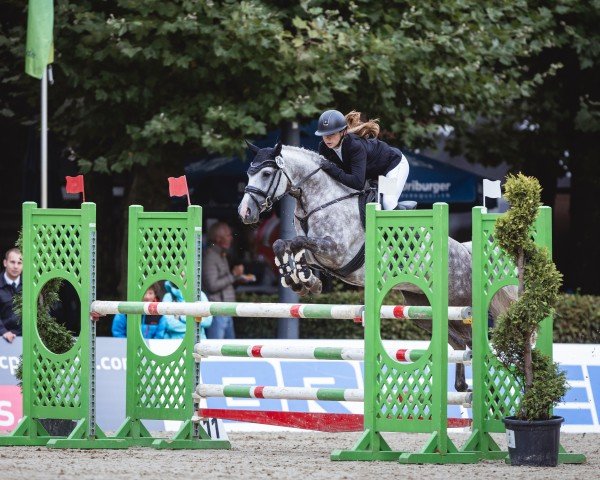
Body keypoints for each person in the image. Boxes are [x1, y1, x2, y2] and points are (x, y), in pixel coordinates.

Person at [315, 109, 410, 210]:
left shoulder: (354, 145)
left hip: (391, 166)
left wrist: (332, 169)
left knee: (388, 203)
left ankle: (411, 223)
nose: (328, 139)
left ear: (343, 132)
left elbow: (357, 183)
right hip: (373, 173)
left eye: (332, 134)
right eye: (325, 135)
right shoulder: (324, 148)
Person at [202, 222, 254, 339]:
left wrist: (238, 278)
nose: (231, 238)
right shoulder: (210, 257)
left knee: (229, 350)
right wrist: (233, 275)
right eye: (228, 235)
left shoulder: (221, 254)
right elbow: (212, 285)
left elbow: (224, 282)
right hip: (218, 310)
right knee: (215, 350)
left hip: (225, 309)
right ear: (218, 238)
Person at [0, 248, 23, 343]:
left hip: (26, 340)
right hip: (2, 339)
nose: (16, 266)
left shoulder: (30, 286)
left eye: (19, 263)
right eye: (12, 262)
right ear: (5, 263)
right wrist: (3, 331)